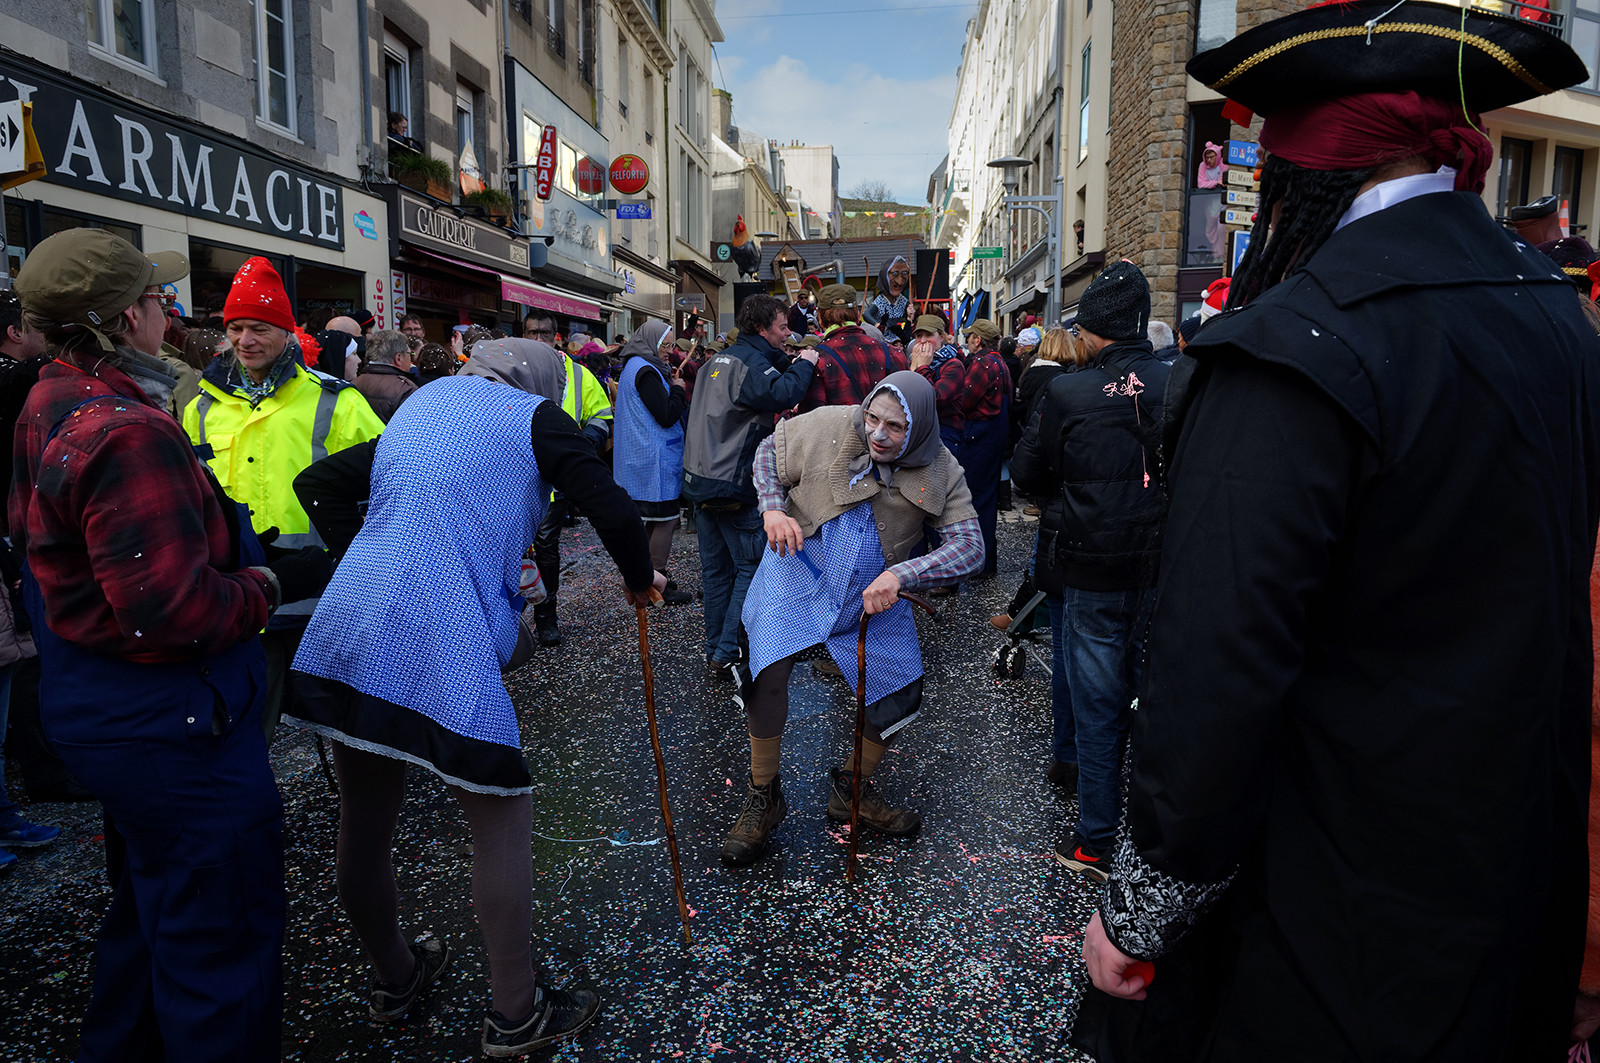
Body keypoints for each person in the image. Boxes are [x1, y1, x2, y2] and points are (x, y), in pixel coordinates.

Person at [1073, 4, 1597, 1058]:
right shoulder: (1556, 316)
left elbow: (1218, 665)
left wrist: (1138, 914)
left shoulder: (1292, 348)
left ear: (1299, 177)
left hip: (1333, 914)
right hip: (1508, 888)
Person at [287, 342, 662, 1057]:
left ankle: (397, 975)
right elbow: (610, 504)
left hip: (353, 618)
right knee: (502, 815)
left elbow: (319, 484)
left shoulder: (417, 406)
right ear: (540, 382)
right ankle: (516, 1011)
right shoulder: (536, 416)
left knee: (364, 818)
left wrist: (367, 550)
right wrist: (641, 577)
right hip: (440, 626)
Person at [11, 228, 331, 1059]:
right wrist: (262, 585)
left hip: (102, 711)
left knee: (152, 910)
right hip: (173, 723)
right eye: (159, 298)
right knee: (222, 941)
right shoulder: (128, 429)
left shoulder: (49, 398)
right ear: (126, 316)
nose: (171, 311)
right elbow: (170, 613)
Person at [721, 372, 982, 865]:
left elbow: (970, 548)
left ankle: (850, 792)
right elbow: (766, 456)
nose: (878, 434)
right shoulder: (827, 425)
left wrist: (904, 575)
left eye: (896, 427)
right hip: (799, 569)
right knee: (767, 667)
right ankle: (763, 795)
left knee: (899, 686)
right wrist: (774, 510)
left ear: (920, 428)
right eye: (873, 418)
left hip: (875, 593)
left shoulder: (944, 469)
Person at [182, 257, 385, 739]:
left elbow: (386, 487)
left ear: (287, 332)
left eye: (258, 328)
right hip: (240, 593)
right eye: (234, 328)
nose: (244, 340)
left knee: (349, 725)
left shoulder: (338, 400)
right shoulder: (199, 408)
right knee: (249, 728)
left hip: (328, 592)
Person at [1012, 261, 1171, 868]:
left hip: (1093, 563)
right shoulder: (1177, 381)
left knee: (1098, 701)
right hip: (1160, 563)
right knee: (1148, 693)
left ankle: (1099, 837)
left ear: (1092, 331)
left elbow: (1028, 473)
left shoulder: (1069, 390)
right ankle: (1148, 833)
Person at [683, 294, 818, 678]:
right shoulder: (750, 365)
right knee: (750, 567)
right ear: (762, 327)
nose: (787, 332)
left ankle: (717, 647)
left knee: (715, 572)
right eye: (781, 326)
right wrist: (806, 364)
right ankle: (726, 651)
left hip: (701, 482)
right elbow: (784, 393)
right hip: (733, 484)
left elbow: (766, 374)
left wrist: (786, 360)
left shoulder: (717, 360)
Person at [531, 333, 627, 646]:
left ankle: (546, 617)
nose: (537, 341)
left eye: (542, 336)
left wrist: (583, 448)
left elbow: (601, 414)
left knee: (546, 546)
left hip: (555, 483)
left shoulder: (578, 374)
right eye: (531, 335)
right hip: (515, 481)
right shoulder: (514, 369)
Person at [610, 321, 693, 620]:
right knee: (665, 520)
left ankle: (641, 577)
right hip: (653, 459)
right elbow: (666, 414)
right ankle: (657, 580)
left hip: (640, 459)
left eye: (672, 345)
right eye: (666, 345)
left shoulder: (633, 366)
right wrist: (678, 390)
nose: (670, 352)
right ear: (650, 342)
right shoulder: (646, 371)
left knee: (647, 521)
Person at [955, 318, 1011, 578]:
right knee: (987, 500)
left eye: (970, 336)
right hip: (993, 436)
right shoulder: (1000, 362)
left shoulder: (982, 363)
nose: (967, 340)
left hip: (979, 437)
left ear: (978, 339)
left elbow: (965, 401)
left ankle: (979, 563)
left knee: (976, 502)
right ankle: (987, 564)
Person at [799, 284, 907, 412]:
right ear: (857, 315)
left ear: (820, 319)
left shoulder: (816, 360)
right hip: (883, 431)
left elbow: (812, 419)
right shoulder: (894, 354)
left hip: (841, 431)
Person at [908, 314, 966, 454]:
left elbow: (935, 399)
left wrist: (921, 368)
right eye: (919, 335)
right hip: (920, 431)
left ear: (941, 337)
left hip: (945, 432)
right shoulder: (913, 362)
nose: (922, 341)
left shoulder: (954, 365)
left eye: (928, 335)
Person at [354, 329, 420, 423]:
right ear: (398, 358)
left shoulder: (353, 383)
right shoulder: (406, 390)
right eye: (410, 354)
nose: (411, 359)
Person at [867, 255, 914, 343]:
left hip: (899, 339)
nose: (899, 281)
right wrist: (877, 325)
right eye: (895, 274)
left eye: (904, 274)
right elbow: (867, 315)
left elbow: (910, 321)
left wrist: (909, 317)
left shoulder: (903, 301)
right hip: (883, 339)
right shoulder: (880, 300)